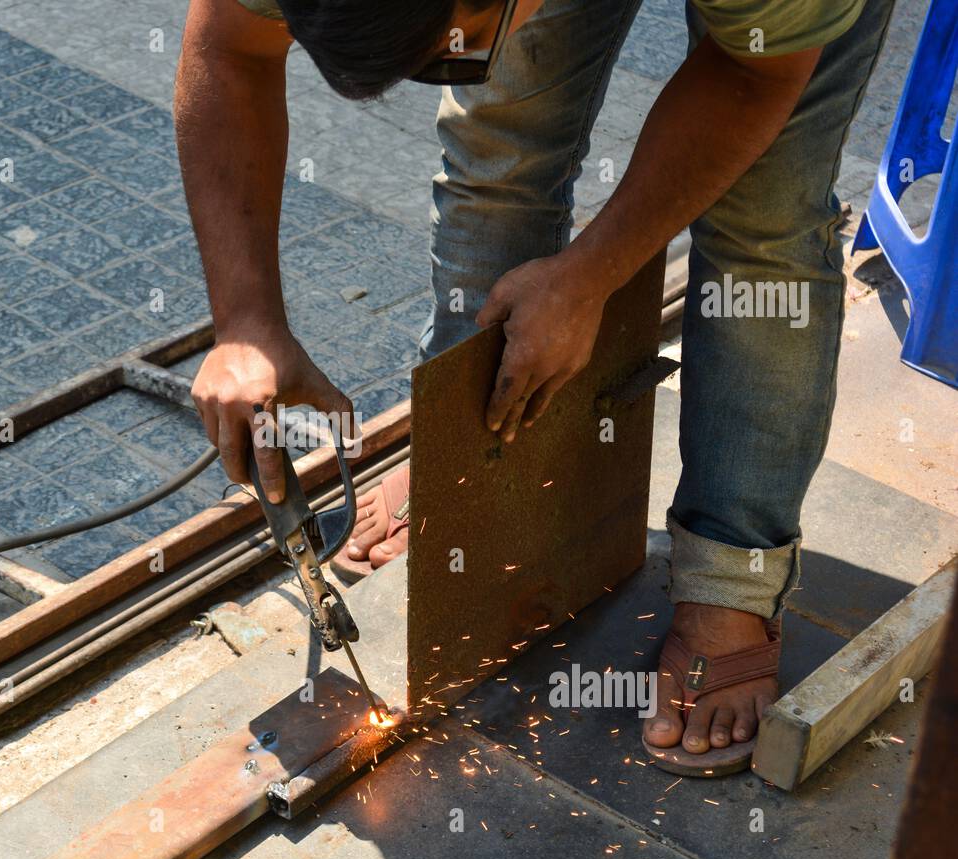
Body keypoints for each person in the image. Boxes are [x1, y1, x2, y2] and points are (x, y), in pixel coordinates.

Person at [174, 0, 891, 774]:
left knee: (765, 219)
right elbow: (231, 46)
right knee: (500, 156)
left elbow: (756, 71)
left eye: (460, 47)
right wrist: (246, 323)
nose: (451, 66)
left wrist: (592, 276)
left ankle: (731, 575)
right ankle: (473, 477)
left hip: (773, 29)